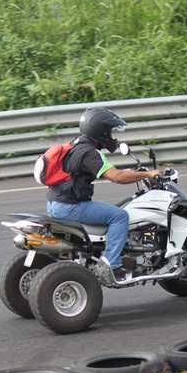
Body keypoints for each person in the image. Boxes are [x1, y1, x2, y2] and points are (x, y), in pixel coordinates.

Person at [46, 108, 160, 282]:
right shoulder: (90, 153)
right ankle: (112, 265)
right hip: (70, 206)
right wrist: (148, 174)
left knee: (109, 212)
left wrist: (130, 172)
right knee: (120, 216)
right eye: (111, 131)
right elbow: (117, 177)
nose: (113, 136)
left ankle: (101, 253)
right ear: (101, 131)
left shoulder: (76, 145)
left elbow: (111, 171)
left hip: (55, 203)